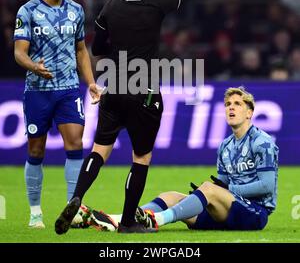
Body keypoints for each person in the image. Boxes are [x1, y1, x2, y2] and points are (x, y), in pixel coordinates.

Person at [55, 0, 201, 234]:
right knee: (141, 157)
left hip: (114, 89)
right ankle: (129, 222)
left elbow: (98, 50)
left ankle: (77, 197)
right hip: (144, 92)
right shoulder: (156, 6)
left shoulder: (110, 7)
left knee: (99, 151)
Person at [89, 86, 279, 232]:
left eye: (238, 104)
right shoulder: (225, 146)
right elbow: (224, 183)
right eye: (228, 104)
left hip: (255, 212)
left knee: (208, 189)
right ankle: (121, 219)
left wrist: (223, 190)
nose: (231, 108)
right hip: (229, 210)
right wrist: (216, 189)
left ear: (249, 112)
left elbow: (266, 186)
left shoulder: (262, 142)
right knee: (170, 196)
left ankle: (157, 220)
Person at [13, 0, 100, 229]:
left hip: (68, 90)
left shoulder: (75, 10)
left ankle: (71, 207)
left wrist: (91, 82)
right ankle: (35, 211)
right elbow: (19, 53)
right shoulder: (27, 12)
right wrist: (34, 67)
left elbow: (80, 51)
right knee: (36, 150)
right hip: (38, 90)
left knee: (75, 144)